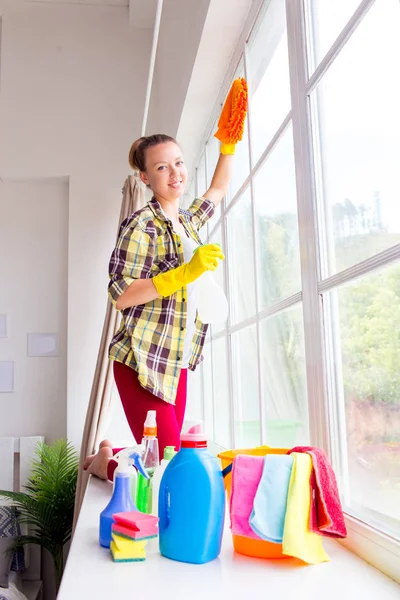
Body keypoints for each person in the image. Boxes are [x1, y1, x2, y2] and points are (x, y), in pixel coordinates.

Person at [83, 132, 237, 480]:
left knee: (169, 456)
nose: (175, 173)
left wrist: (228, 144)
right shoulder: (140, 225)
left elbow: (216, 191)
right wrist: (185, 273)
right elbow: (121, 292)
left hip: (176, 359)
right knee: (168, 468)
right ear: (145, 178)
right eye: (162, 167)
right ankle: (101, 463)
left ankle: (114, 453)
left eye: (179, 163)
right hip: (141, 360)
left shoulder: (187, 221)